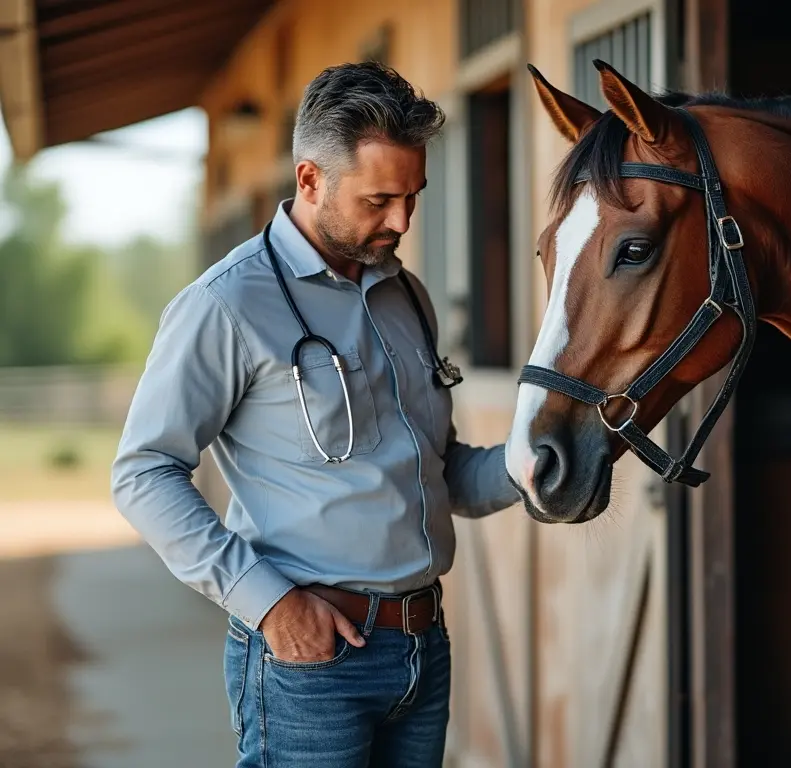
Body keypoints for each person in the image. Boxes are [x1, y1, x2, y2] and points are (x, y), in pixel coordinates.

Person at [111, 61, 520, 768]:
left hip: (424, 647)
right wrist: (267, 604)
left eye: (413, 197)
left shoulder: (406, 296)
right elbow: (144, 473)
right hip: (311, 662)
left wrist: (544, 456)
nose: (401, 220)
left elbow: (442, 474)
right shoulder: (228, 304)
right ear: (309, 180)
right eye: (379, 199)